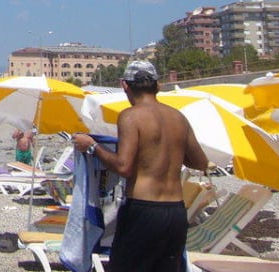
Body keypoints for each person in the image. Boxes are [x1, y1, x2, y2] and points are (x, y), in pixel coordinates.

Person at [72, 60, 208, 272]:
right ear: (158, 85)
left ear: (124, 85)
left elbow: (124, 166)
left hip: (143, 208)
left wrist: (92, 147)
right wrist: (171, 151)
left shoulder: (131, 116)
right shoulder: (178, 117)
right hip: (175, 211)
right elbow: (201, 162)